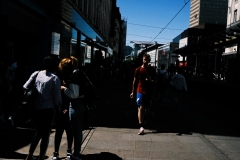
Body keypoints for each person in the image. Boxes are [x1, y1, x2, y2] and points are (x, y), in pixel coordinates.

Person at [24, 56, 62, 160]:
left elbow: (25, 86)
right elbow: (57, 98)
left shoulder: (36, 73)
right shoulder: (55, 78)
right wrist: (58, 110)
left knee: (38, 131)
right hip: (48, 109)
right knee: (45, 134)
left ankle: (30, 155)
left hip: (36, 108)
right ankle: (41, 157)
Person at [58, 56, 87, 160]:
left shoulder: (74, 75)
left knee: (76, 130)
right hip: (82, 103)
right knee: (78, 129)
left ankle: (76, 154)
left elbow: (74, 94)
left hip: (76, 104)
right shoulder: (79, 72)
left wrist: (64, 88)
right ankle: (77, 152)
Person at [51, 60, 74, 160]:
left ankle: (58, 152)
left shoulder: (66, 75)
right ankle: (64, 151)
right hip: (63, 105)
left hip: (63, 105)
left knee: (61, 130)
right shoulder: (59, 75)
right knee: (66, 130)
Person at [130, 53, 156, 135]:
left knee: (147, 109)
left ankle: (144, 119)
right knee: (141, 107)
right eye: (144, 59)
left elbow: (156, 81)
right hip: (139, 91)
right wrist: (133, 92)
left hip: (148, 92)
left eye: (146, 60)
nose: (145, 61)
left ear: (148, 61)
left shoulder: (152, 70)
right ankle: (141, 126)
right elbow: (134, 81)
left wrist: (150, 81)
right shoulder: (138, 69)